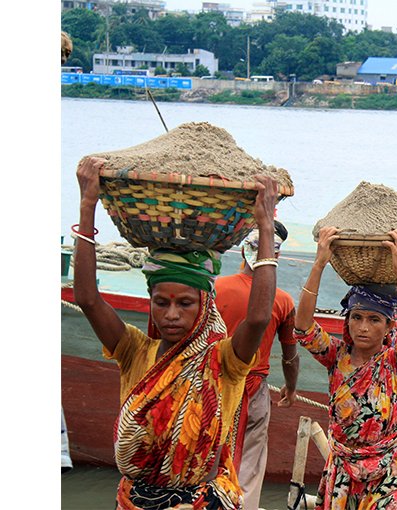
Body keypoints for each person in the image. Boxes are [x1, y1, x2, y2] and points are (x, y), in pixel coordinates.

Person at [73, 156, 279, 509]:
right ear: (150, 301)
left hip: (199, 500)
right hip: (134, 499)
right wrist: (88, 204)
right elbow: (89, 299)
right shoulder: (134, 350)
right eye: (161, 302)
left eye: (184, 303)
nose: (171, 315)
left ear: (204, 304)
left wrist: (265, 228)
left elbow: (258, 319)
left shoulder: (224, 359)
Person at [294, 227, 397, 509]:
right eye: (357, 317)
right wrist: (319, 264)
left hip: (390, 469)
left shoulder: (394, 362)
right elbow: (303, 328)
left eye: (374, 320)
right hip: (344, 472)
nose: (363, 327)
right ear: (349, 320)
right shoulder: (336, 356)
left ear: (390, 325)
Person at [214, 223, 298, 510]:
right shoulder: (284, 301)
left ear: (241, 250)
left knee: (209, 451)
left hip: (213, 386)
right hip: (255, 391)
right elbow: (290, 355)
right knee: (249, 463)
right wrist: (292, 387)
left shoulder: (216, 288)